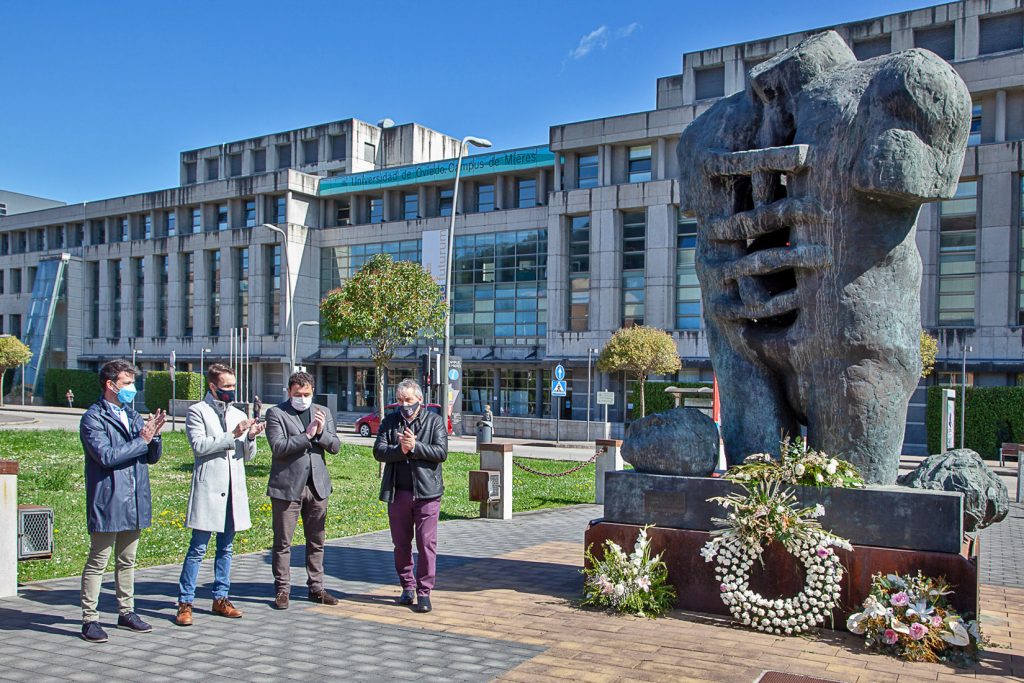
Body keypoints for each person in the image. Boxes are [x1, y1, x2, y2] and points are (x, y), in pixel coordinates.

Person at [79, 359, 166, 643]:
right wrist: (142, 439)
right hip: (109, 497)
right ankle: (89, 619)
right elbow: (106, 456)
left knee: (127, 560)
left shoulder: (132, 414)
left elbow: (150, 459)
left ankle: (126, 611)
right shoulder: (93, 418)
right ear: (110, 384)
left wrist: (155, 438)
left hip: (135, 498)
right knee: (98, 560)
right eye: (127, 383)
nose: (132, 389)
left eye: (132, 383)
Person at [175, 364, 265, 627]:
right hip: (209, 489)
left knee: (226, 548)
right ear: (212, 387)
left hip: (233, 492)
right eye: (226, 387)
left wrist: (250, 438)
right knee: (198, 548)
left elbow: (247, 456)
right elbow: (200, 446)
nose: (231, 391)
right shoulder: (197, 412)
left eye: (233, 386)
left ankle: (221, 597)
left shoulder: (238, 412)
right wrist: (233, 434)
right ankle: (185, 602)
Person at [264, 372, 341, 609]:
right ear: (289, 392)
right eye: (297, 394)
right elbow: (278, 447)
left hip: (317, 486)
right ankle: (282, 590)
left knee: (316, 541)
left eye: (306, 394)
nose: (302, 398)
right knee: (283, 542)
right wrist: (306, 435)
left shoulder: (322, 412)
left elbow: (336, 446)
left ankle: (316, 588)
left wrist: (320, 433)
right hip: (287, 487)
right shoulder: (276, 413)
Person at [373, 378, 448, 614]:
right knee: (401, 544)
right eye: (400, 400)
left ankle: (424, 592)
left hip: (427, 494)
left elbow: (441, 452)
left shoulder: (434, 422)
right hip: (398, 493)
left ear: (420, 400)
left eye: (408, 400)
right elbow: (379, 451)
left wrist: (415, 447)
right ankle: (407, 586)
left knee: (426, 544)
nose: (404, 405)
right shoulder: (390, 422)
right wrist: (400, 450)